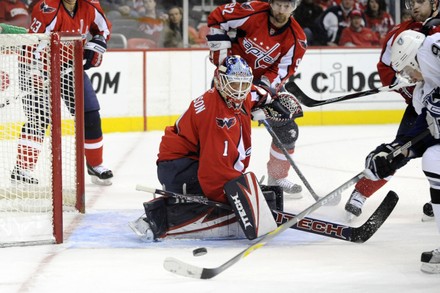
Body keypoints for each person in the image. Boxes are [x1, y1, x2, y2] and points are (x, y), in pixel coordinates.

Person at [129, 55, 300, 241]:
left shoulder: (235, 94)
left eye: (244, 84)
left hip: (186, 162)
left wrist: (274, 100)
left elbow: (258, 93)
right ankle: (162, 219)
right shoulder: (217, 117)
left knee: (242, 190)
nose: (240, 91)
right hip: (180, 170)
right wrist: (234, 199)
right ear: (219, 81)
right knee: (222, 198)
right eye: (235, 85)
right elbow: (213, 172)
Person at [344, 0, 439, 218]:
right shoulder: (401, 32)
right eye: (410, 2)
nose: (413, 6)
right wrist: (411, 91)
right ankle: (361, 193)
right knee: (397, 153)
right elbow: (386, 67)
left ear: (434, 3)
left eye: (419, 1)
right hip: (422, 106)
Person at [205, 0, 307, 198]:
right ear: (271, 2)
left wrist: (257, 95)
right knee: (225, 132)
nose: (281, 10)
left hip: (259, 86)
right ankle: (224, 179)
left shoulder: (297, 39)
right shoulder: (251, 11)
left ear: (294, 7)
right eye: (278, 4)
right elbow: (218, 17)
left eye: (287, 6)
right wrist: (222, 57)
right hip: (229, 82)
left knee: (288, 129)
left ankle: (276, 178)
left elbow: (280, 73)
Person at [11, 0, 114, 185]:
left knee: (89, 114)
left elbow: (103, 29)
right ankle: (22, 169)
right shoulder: (46, 7)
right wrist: (34, 71)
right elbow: (33, 43)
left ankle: (95, 164)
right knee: (39, 118)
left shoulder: (90, 5)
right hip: (36, 65)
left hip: (69, 65)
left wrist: (98, 43)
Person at [364, 30, 440, 274]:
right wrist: (394, 154)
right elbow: (418, 135)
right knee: (433, 159)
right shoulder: (422, 93)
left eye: (408, 69)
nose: (408, 76)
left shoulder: (432, 47)